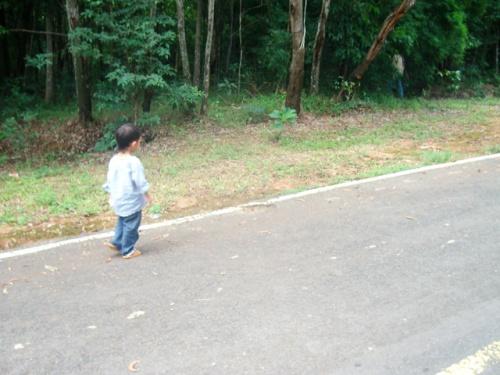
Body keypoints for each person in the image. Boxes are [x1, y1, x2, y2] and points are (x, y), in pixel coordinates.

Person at [103, 123, 151, 259]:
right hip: (131, 202)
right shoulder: (133, 162)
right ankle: (128, 250)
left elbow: (110, 179)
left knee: (122, 221)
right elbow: (140, 181)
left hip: (117, 199)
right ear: (134, 143)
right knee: (131, 226)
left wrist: (110, 192)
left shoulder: (114, 160)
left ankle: (117, 242)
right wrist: (147, 194)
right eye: (140, 142)